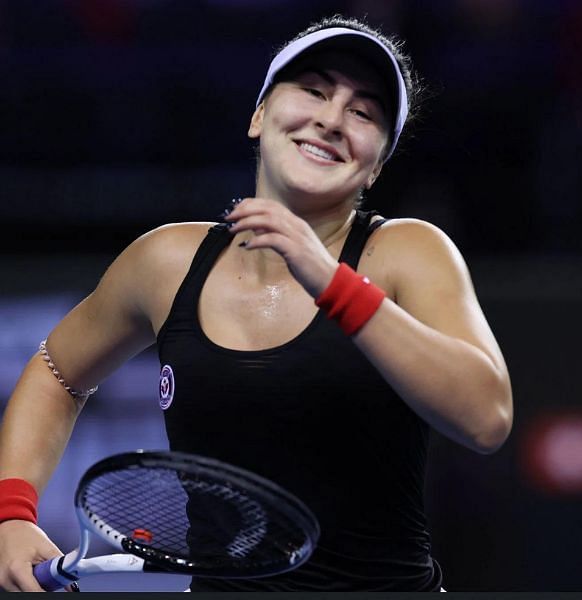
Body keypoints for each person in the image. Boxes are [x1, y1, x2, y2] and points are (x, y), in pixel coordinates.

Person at [0, 16, 512, 592]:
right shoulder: (165, 261)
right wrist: (12, 513)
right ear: (259, 116)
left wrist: (332, 282)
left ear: (377, 167)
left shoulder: (409, 252)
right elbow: (54, 371)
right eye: (314, 91)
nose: (331, 118)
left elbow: (486, 418)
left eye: (363, 112)